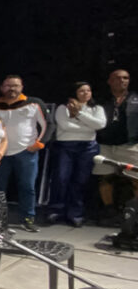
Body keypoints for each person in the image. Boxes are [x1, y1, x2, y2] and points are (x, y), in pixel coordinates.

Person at [50, 82, 106, 227]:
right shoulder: (63, 107)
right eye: (82, 91)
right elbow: (65, 126)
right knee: (61, 178)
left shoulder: (96, 108)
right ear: (74, 92)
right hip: (66, 146)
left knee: (80, 181)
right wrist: (89, 127)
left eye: (88, 90)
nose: (86, 93)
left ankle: (75, 213)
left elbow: (100, 125)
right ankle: (56, 210)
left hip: (87, 147)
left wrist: (79, 114)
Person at [0, 75, 47, 231]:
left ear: (22, 87)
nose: (12, 88)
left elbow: (48, 124)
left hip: (26, 152)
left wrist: (39, 143)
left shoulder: (34, 103)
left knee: (27, 187)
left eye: (16, 85)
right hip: (0, 153)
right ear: (1, 87)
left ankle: (28, 218)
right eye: (8, 85)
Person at [95, 69, 138, 220]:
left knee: (136, 179)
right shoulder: (101, 99)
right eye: (118, 78)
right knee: (105, 178)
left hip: (130, 144)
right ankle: (109, 211)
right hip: (105, 145)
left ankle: (136, 212)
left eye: (126, 78)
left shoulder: (135, 98)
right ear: (109, 81)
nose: (122, 81)